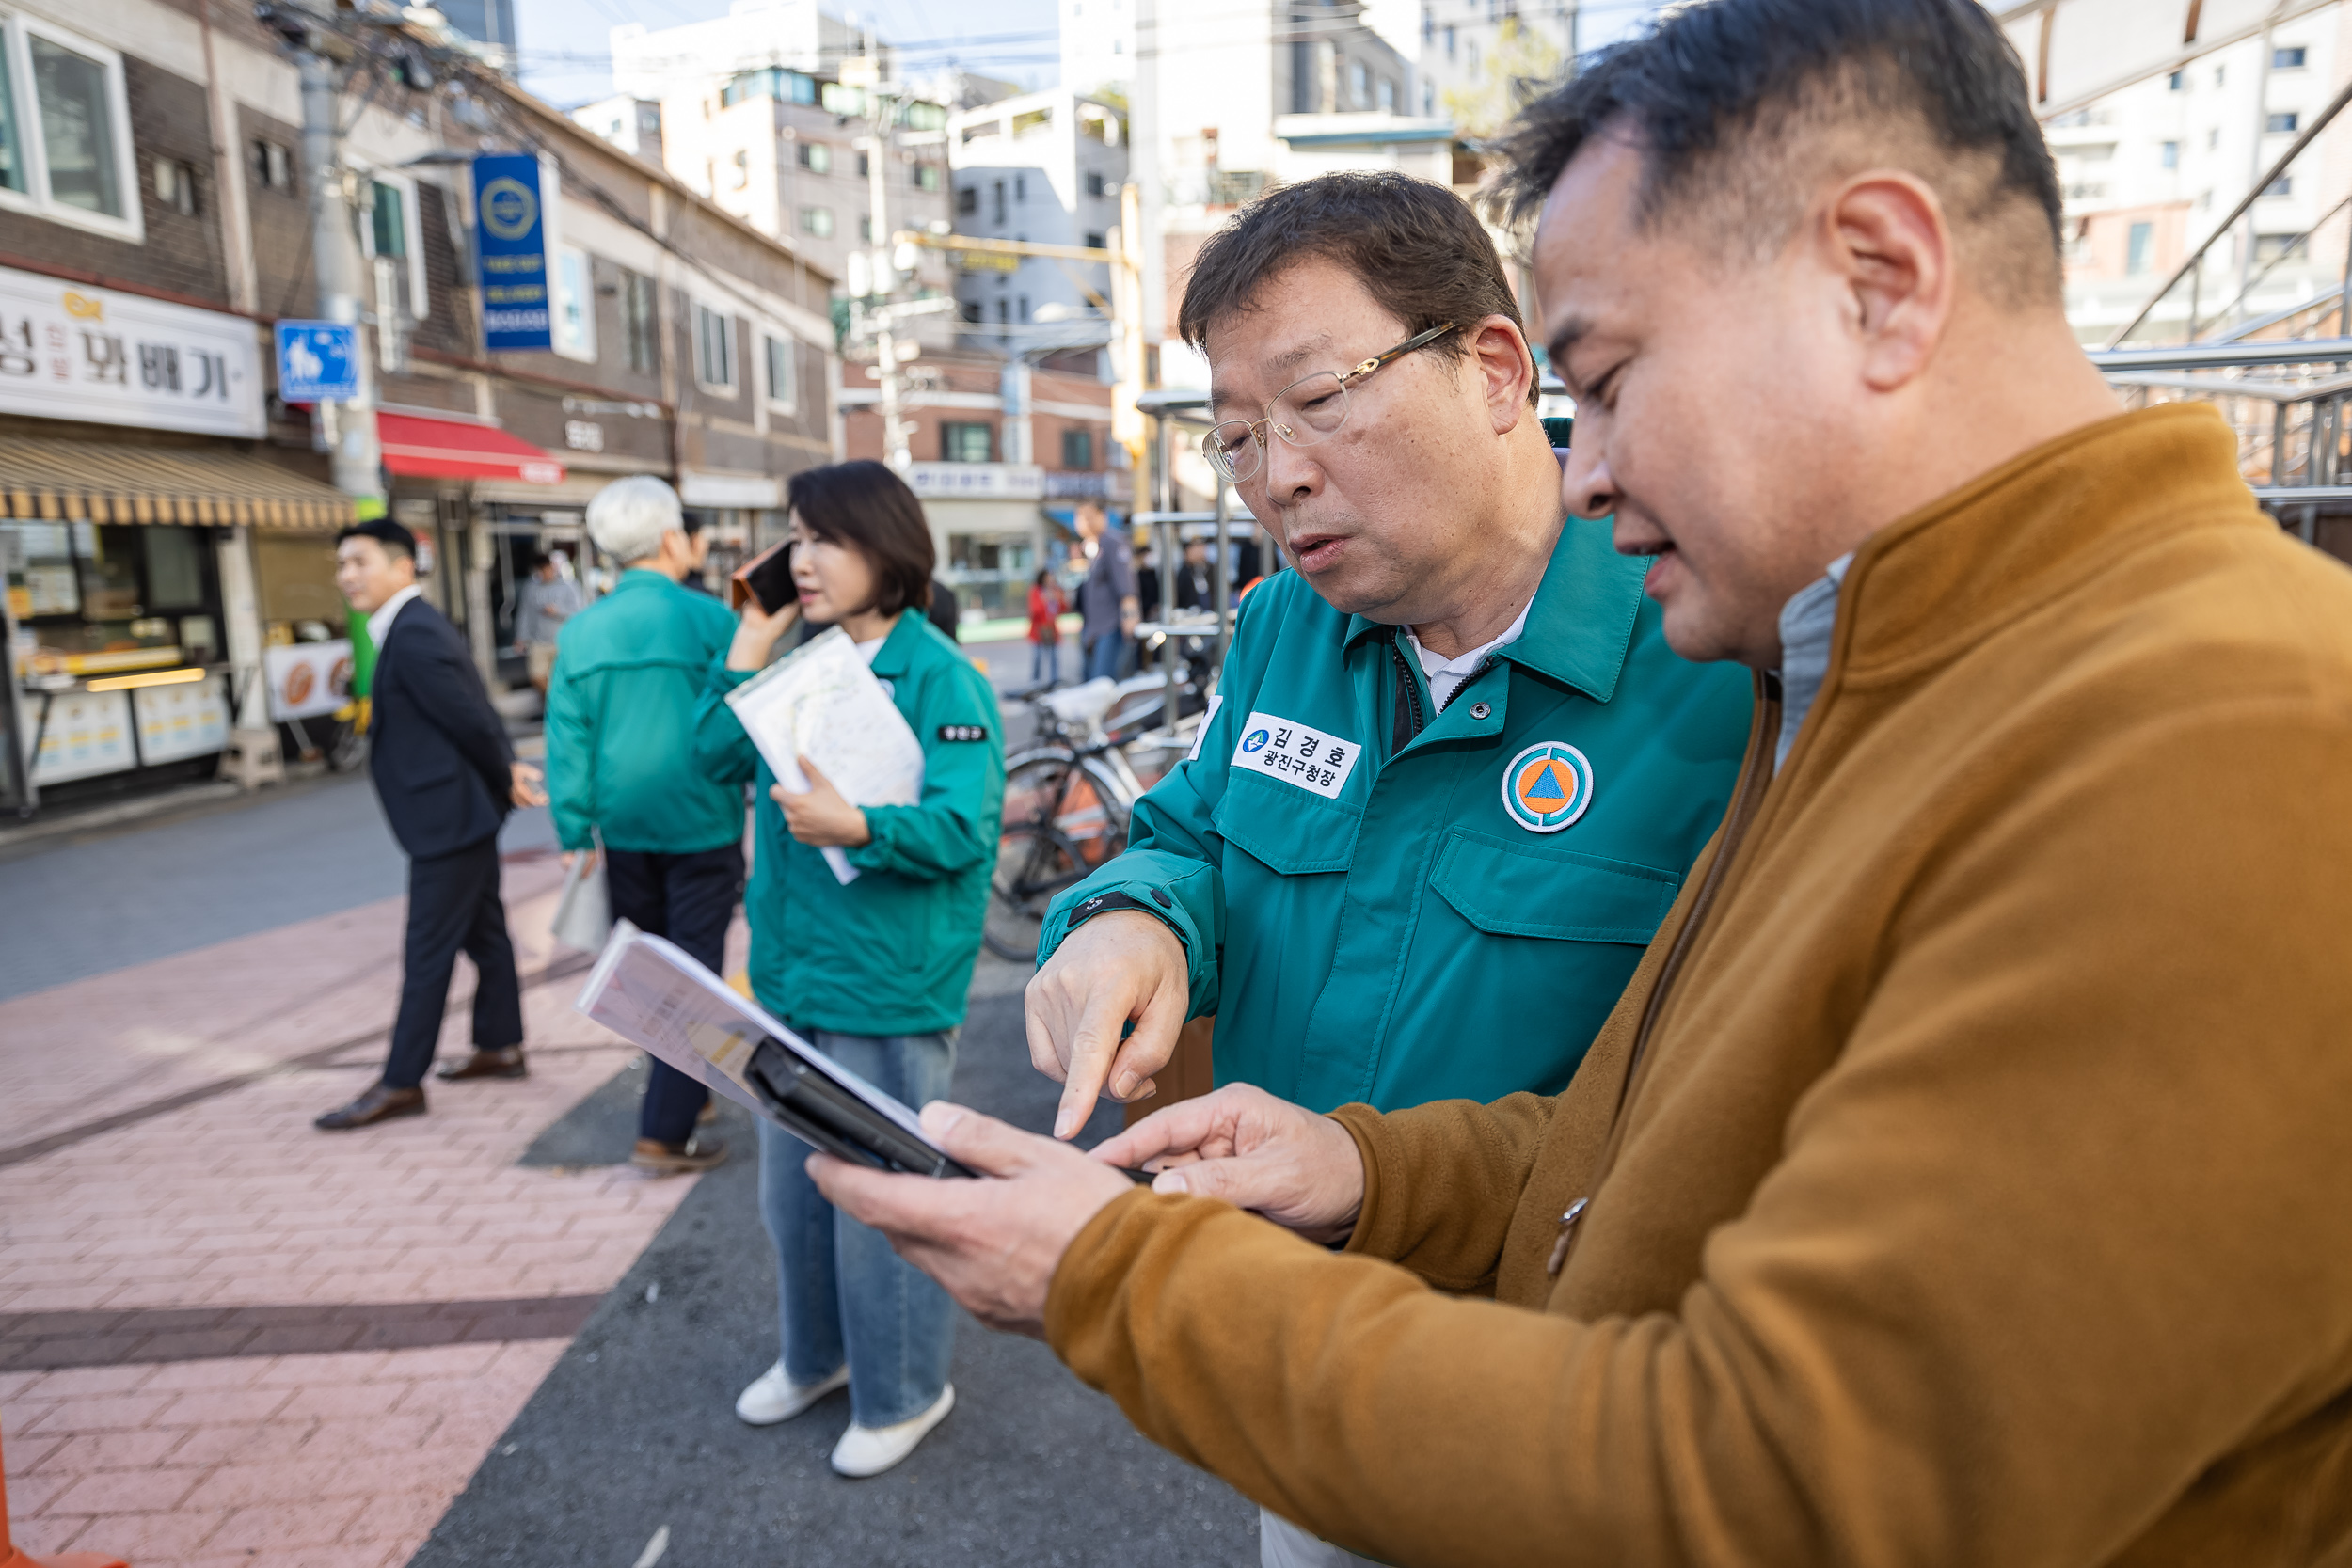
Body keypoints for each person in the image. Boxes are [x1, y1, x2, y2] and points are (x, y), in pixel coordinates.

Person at [798, 1, 2352, 1563]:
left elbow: (1785, 1481)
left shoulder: (2230, 729)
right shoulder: (1856, 672)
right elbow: (1638, 1145)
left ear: (1883, 280)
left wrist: (1119, 1277)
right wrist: (1353, 1158)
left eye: (1604, 378)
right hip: (1398, 1373)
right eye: (1237, 436)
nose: (1591, 468)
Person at [1023, 170, 1753, 1149]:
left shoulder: (1718, 653)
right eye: (1237, 438)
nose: (1279, 477)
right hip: (1252, 1267)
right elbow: (1195, 833)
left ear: (1494, 369)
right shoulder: (1286, 621)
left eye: (1319, 398)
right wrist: (1129, 915)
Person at [691, 460, 1007, 1479]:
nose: (801, 558)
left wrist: (860, 824)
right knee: (794, 1196)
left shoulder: (944, 674)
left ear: (888, 549)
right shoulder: (800, 664)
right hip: (790, 977)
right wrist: (747, 640)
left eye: (824, 537)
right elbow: (709, 755)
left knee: (884, 1201)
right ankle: (817, 1357)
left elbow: (966, 826)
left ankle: (907, 1386)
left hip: (888, 977)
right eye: (793, 536)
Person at [317, 518, 548, 1131]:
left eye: (359, 562)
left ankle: (400, 1080)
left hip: (450, 820)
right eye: (341, 564)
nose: (347, 576)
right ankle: (501, 1045)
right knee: (486, 935)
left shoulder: (414, 630)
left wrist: (505, 770)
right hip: (455, 813)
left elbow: (470, 715)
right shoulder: (408, 626)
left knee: (427, 953)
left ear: (402, 566)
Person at [547, 477, 742, 1175]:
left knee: (652, 967)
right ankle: (663, 1130)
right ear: (669, 538)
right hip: (702, 820)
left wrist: (574, 831)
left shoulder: (580, 631)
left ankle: (686, 1091)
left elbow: (567, 742)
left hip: (621, 829)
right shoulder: (713, 621)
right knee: (695, 971)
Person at [1073, 501, 1136, 681]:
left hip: (1111, 626)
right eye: (1082, 517)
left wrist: (1129, 618)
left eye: (1090, 516)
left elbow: (1126, 588)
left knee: (1103, 684)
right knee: (1091, 682)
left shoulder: (1112, 543)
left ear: (1103, 517)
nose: (1086, 522)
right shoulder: (1090, 547)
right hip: (1093, 628)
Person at [511, 550, 582, 693]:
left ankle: (557, 707)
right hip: (538, 641)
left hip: (561, 641)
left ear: (552, 567)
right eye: (540, 571)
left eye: (546, 569)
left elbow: (580, 612)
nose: (544, 574)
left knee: (561, 678)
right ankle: (555, 702)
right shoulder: (530, 588)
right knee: (537, 677)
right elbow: (525, 614)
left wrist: (558, 611)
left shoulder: (568, 586)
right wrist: (521, 637)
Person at [1026, 567, 1067, 685]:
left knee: (1054, 657)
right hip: (1038, 630)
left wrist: (1057, 599)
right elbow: (1034, 611)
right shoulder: (1036, 591)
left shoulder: (1056, 591)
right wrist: (1045, 600)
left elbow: (1064, 608)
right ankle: (1035, 681)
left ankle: (1054, 681)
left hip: (1052, 629)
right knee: (1037, 658)